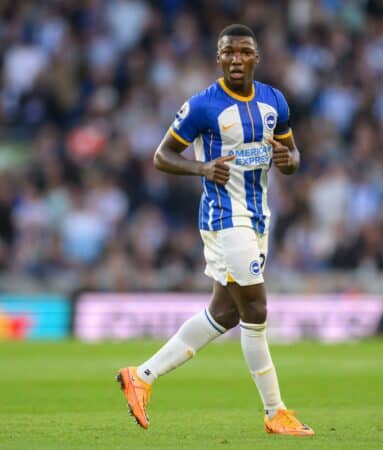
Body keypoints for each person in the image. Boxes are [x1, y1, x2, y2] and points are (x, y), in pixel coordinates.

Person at [116, 24, 314, 437]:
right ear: (218, 58)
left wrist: (288, 158)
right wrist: (202, 167)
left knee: (224, 313)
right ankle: (275, 411)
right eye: (229, 53)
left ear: (256, 57)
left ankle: (142, 376)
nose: (236, 59)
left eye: (244, 52)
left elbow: (292, 154)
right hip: (224, 217)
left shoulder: (274, 101)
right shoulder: (203, 106)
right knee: (255, 310)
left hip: (259, 217)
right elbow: (162, 155)